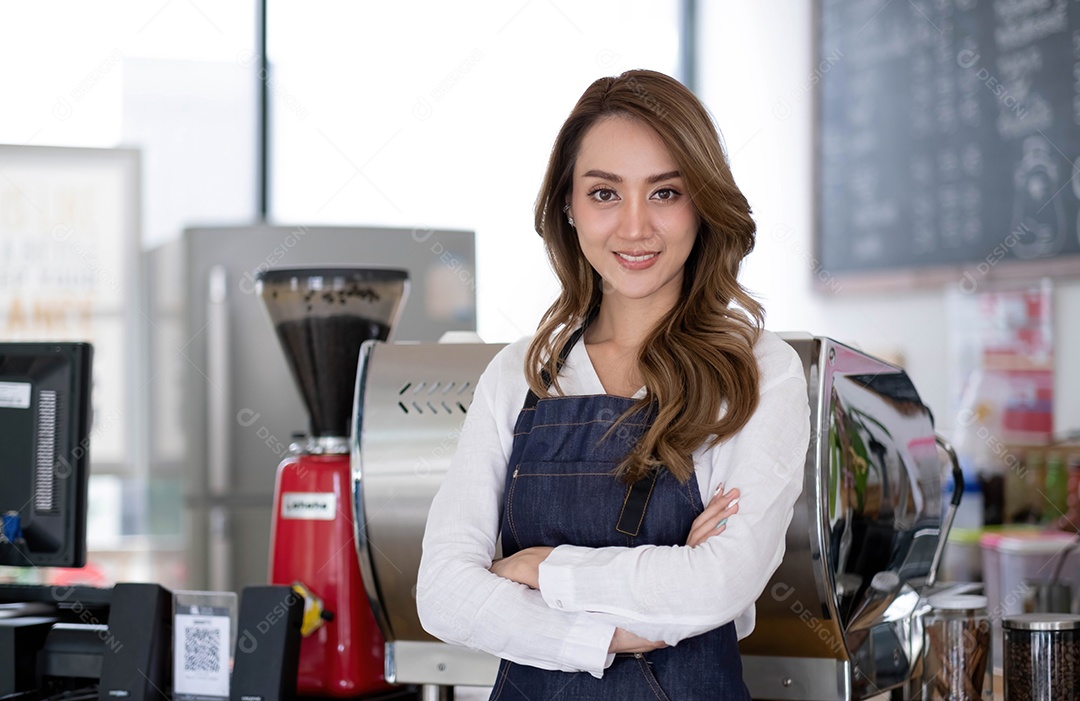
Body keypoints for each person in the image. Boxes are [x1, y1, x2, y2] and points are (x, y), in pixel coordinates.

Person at [416, 69, 810, 700]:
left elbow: (720, 583)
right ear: (567, 207)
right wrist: (606, 637)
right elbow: (442, 595)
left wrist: (539, 569)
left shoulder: (759, 370)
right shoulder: (520, 377)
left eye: (664, 193)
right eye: (604, 193)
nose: (634, 228)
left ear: (703, 204)